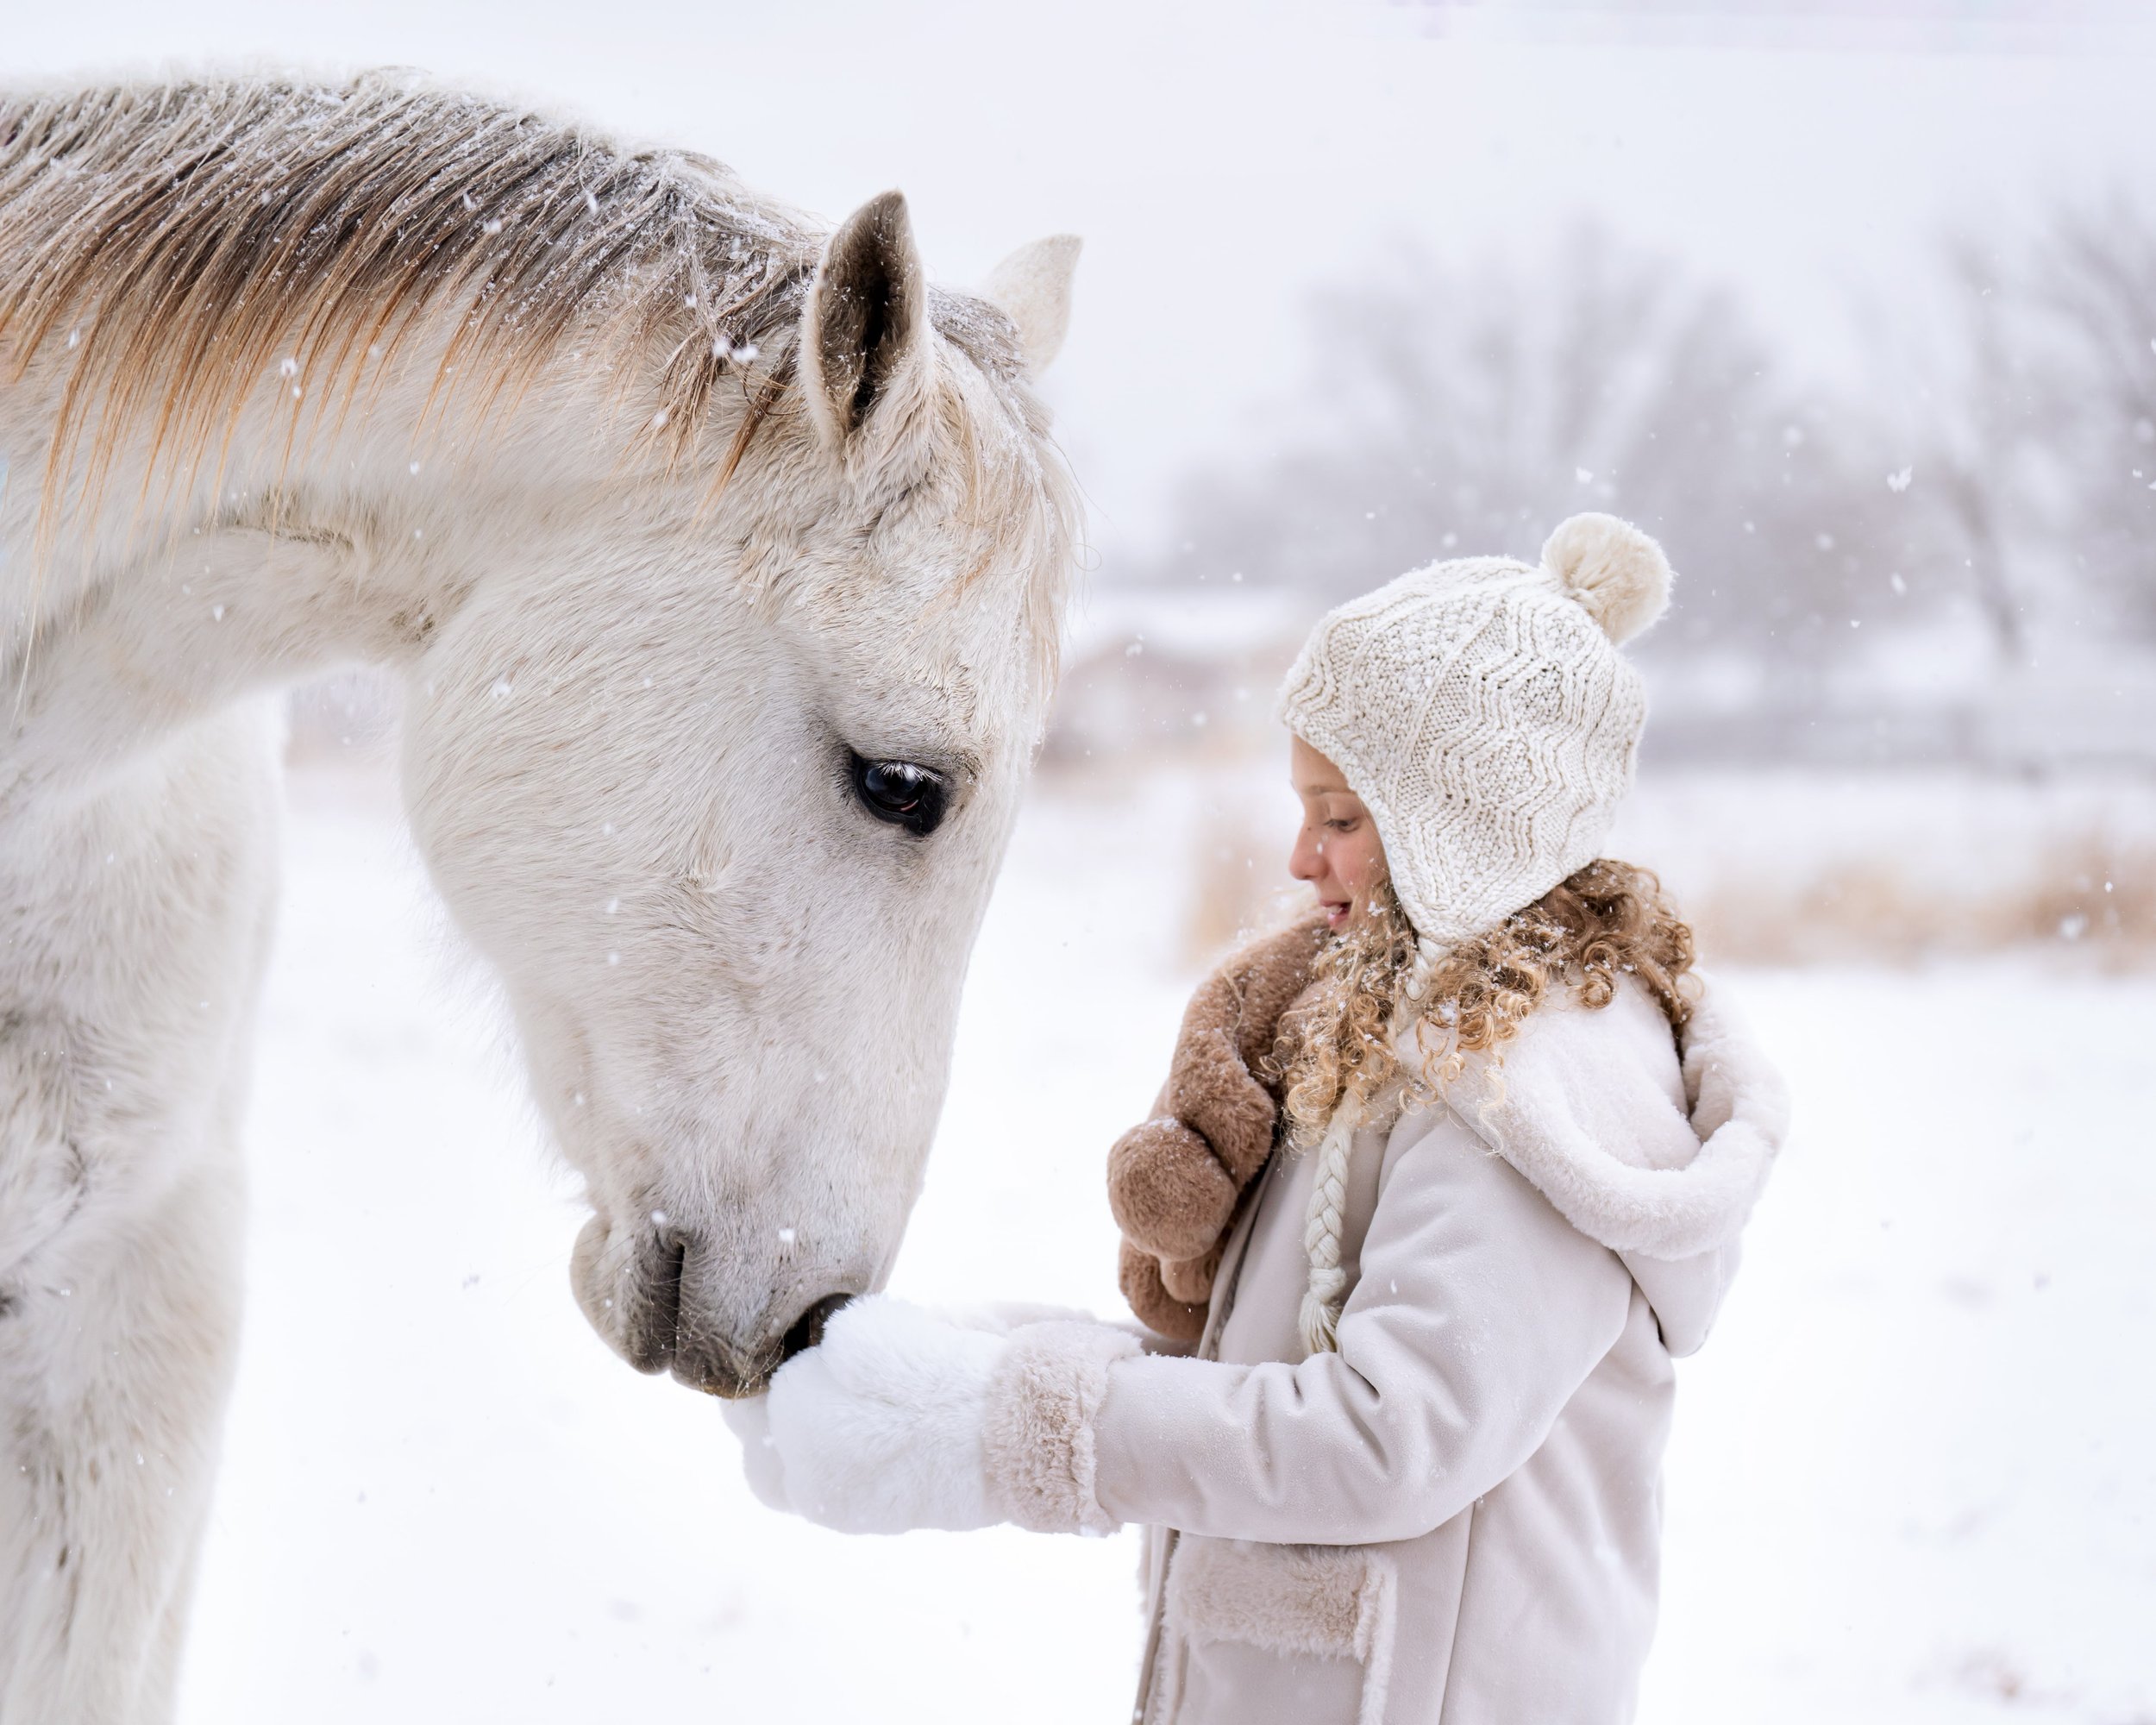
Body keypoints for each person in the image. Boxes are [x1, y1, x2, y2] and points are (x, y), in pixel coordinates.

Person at [724, 512, 1790, 1725]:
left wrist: (1009, 1434)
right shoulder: (1395, 1025)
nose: (1299, 857)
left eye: (1340, 818)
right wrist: (942, 1371)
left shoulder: (1523, 1091)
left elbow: (1386, 1438)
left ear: (1466, 822)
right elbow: (1260, 1374)